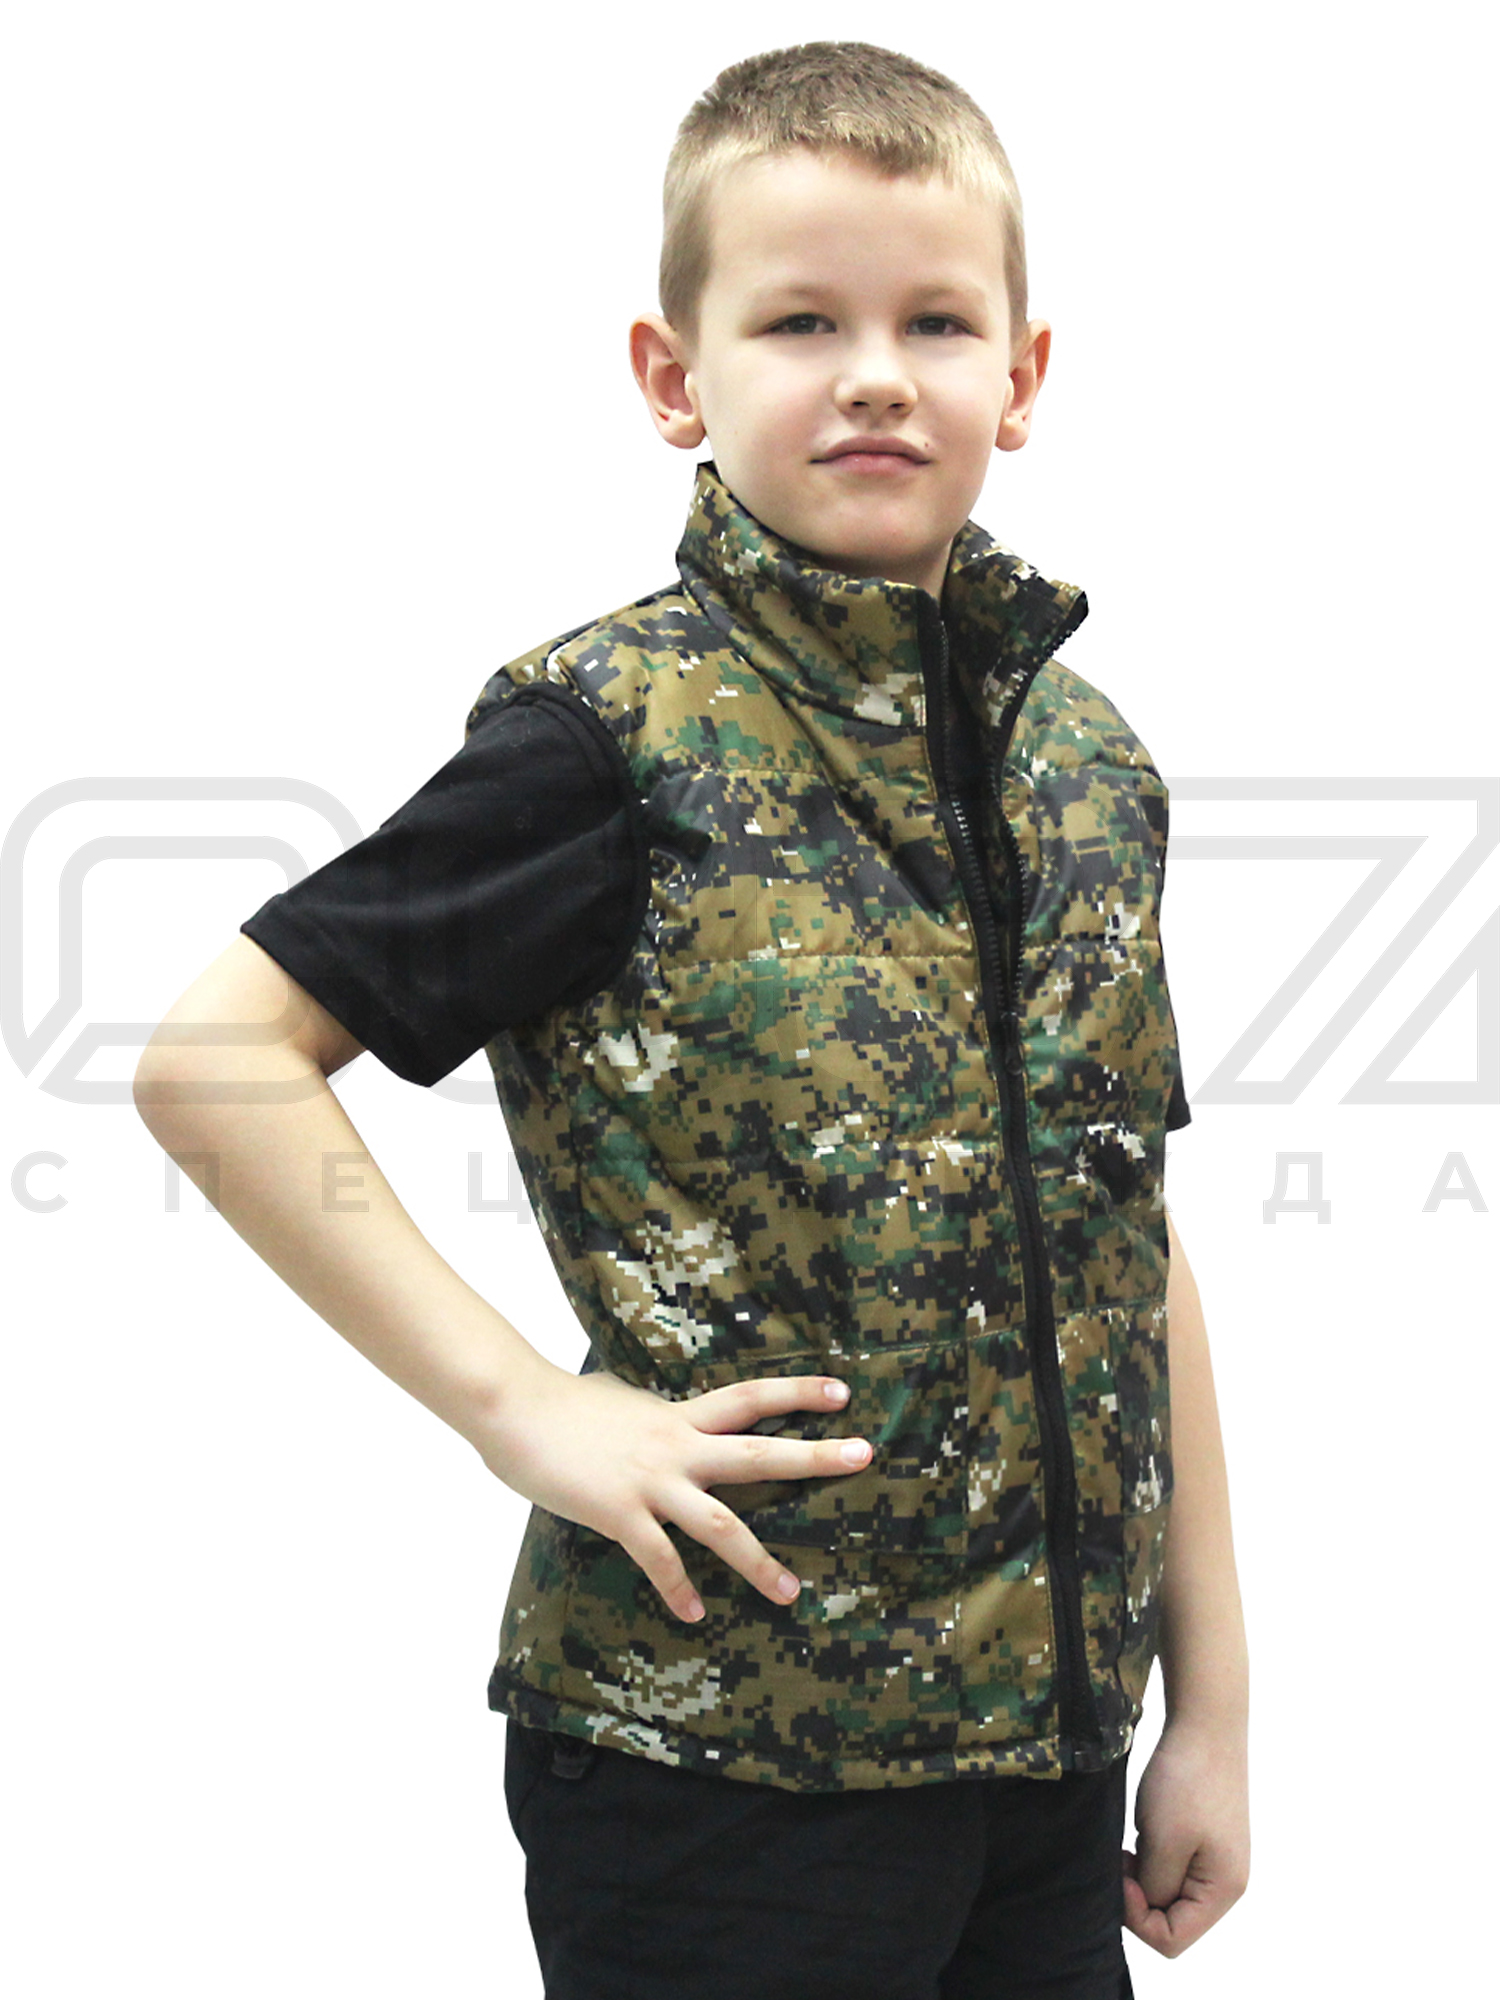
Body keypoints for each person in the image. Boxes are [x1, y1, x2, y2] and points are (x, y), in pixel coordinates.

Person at [133, 39, 1249, 2000]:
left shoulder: (1084, 763)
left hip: (1047, 1769)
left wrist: (1212, 1705)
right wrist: (525, 1413)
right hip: (723, 1770)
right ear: (677, 377)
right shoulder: (608, 742)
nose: (876, 373)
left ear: (1022, 375)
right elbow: (216, 1058)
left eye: (934, 321)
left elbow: (1126, 1229)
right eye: (802, 321)